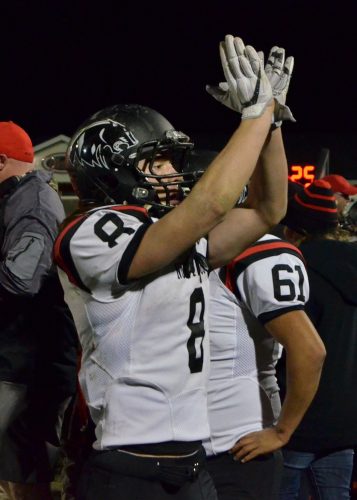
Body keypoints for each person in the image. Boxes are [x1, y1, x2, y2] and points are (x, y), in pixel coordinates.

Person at [54, 34, 291, 500]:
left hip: (193, 464)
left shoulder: (171, 233)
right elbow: (209, 206)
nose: (168, 173)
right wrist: (252, 116)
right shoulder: (90, 231)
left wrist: (272, 124)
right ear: (114, 170)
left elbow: (268, 209)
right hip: (126, 466)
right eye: (156, 161)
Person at [204, 231, 325, 500]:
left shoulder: (257, 250)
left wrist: (282, 432)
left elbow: (310, 351)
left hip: (238, 446)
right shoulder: (181, 245)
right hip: (183, 446)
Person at [0, 121, 79, 500]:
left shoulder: (30, 202)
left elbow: (18, 281)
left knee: (27, 477)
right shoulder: (15, 195)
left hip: (30, 367)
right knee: (16, 475)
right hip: (17, 360)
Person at [278, 179, 357, 499]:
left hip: (296, 422)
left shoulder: (296, 269)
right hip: (345, 423)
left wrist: (281, 427)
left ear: (294, 230)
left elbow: (300, 352)